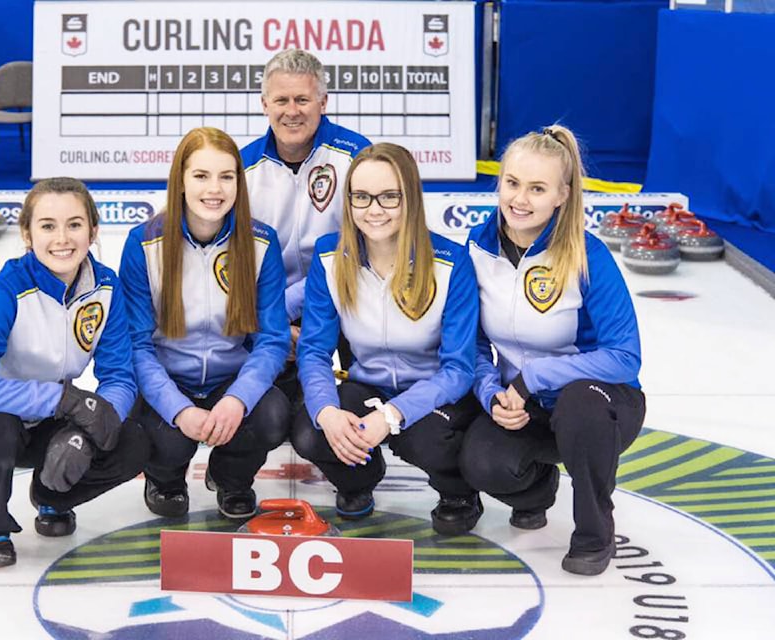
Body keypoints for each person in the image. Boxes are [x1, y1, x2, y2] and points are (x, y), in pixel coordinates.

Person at [0, 177, 148, 568]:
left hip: (48, 419)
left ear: (93, 231)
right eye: (47, 225)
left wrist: (88, 427)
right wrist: (63, 399)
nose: (62, 238)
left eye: (74, 224)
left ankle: (53, 496)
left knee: (131, 438)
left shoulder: (107, 288)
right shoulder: (6, 289)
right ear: (27, 234)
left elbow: (119, 376)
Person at [459, 124, 646, 576]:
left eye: (537, 188)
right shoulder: (476, 249)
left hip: (601, 404)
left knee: (582, 404)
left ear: (561, 195)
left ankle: (594, 533)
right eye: (512, 183)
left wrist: (531, 379)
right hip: (525, 405)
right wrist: (492, 394)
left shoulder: (588, 255)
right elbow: (474, 343)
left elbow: (625, 356)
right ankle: (537, 490)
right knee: (479, 462)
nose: (520, 199)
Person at [291, 143, 481, 534]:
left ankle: (458, 491)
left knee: (424, 439)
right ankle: (358, 480)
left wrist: (390, 416)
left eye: (388, 196)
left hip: (434, 391)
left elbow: (459, 369)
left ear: (409, 195)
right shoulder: (331, 257)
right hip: (368, 382)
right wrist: (328, 412)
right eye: (361, 197)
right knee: (311, 430)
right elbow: (312, 351)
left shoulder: (450, 262)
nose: (373, 209)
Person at [120, 127, 290, 520]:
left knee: (273, 415)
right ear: (180, 180)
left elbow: (272, 340)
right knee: (170, 440)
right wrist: (179, 410)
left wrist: (238, 398)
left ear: (238, 182)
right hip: (167, 380)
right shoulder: (143, 244)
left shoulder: (262, 242)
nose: (214, 189)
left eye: (226, 177)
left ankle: (231, 477)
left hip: (228, 380)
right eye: (201, 176)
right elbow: (136, 345)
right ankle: (165, 478)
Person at [241, 49, 371, 398]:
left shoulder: (358, 157)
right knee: (276, 412)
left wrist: (290, 312)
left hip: (348, 300)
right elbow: (234, 263)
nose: (292, 111)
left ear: (323, 102)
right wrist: (271, 323)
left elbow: (369, 248)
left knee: (361, 404)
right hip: (271, 305)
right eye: (281, 99)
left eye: (303, 99)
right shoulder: (241, 170)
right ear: (264, 104)